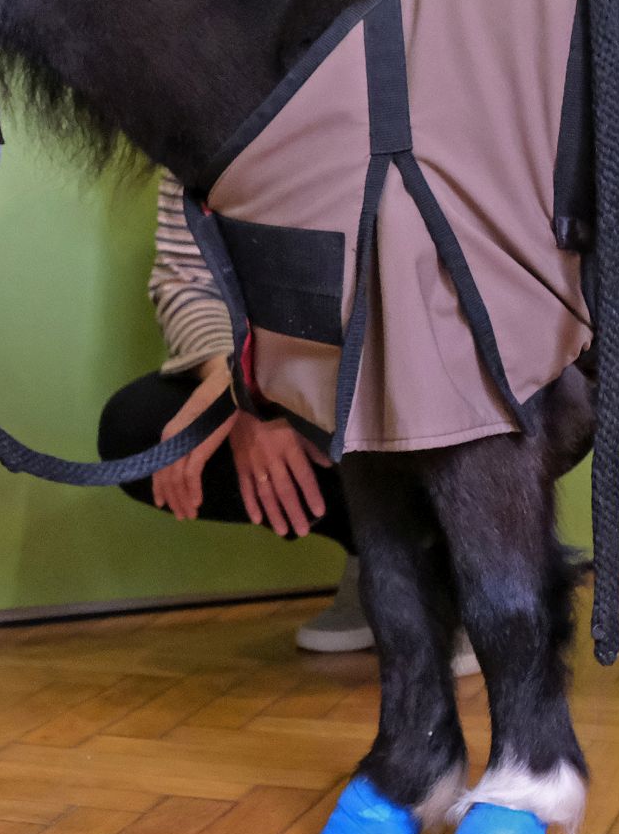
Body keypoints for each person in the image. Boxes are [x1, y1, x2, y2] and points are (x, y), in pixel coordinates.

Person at [99, 173, 478, 670]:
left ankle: (465, 565)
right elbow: (187, 280)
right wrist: (239, 386)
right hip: (269, 359)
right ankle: (379, 554)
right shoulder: (196, 106)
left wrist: (287, 385)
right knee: (140, 432)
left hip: (426, 355)